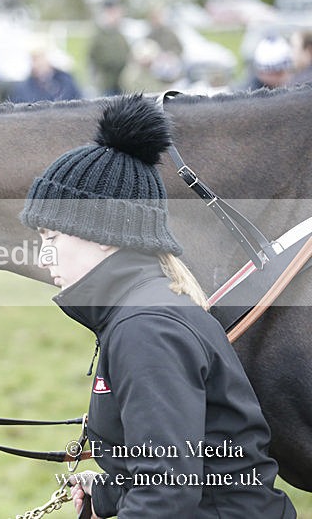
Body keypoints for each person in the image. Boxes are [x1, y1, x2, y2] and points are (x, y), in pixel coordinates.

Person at [19, 95, 296, 518]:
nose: (44, 257)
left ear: (102, 234)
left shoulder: (146, 327)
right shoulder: (144, 310)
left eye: (52, 237)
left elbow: (166, 495)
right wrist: (109, 491)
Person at [88, 0, 130, 96]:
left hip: (120, 84)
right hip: (106, 86)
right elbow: (101, 59)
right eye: (113, 12)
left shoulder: (120, 35)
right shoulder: (99, 35)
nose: (117, 15)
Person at [9, 49, 81, 103]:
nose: (36, 64)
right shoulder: (22, 88)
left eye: (40, 58)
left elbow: (79, 102)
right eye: (34, 59)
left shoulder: (66, 82)